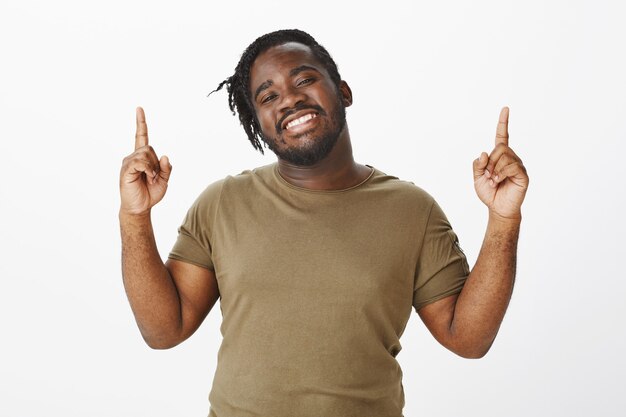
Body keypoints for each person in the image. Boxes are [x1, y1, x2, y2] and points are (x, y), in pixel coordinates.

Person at [119, 29, 528, 417]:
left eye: (305, 79)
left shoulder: (412, 210)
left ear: (343, 92)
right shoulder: (222, 203)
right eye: (268, 95)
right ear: (257, 123)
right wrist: (135, 216)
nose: (290, 100)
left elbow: (469, 340)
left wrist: (503, 218)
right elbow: (164, 331)